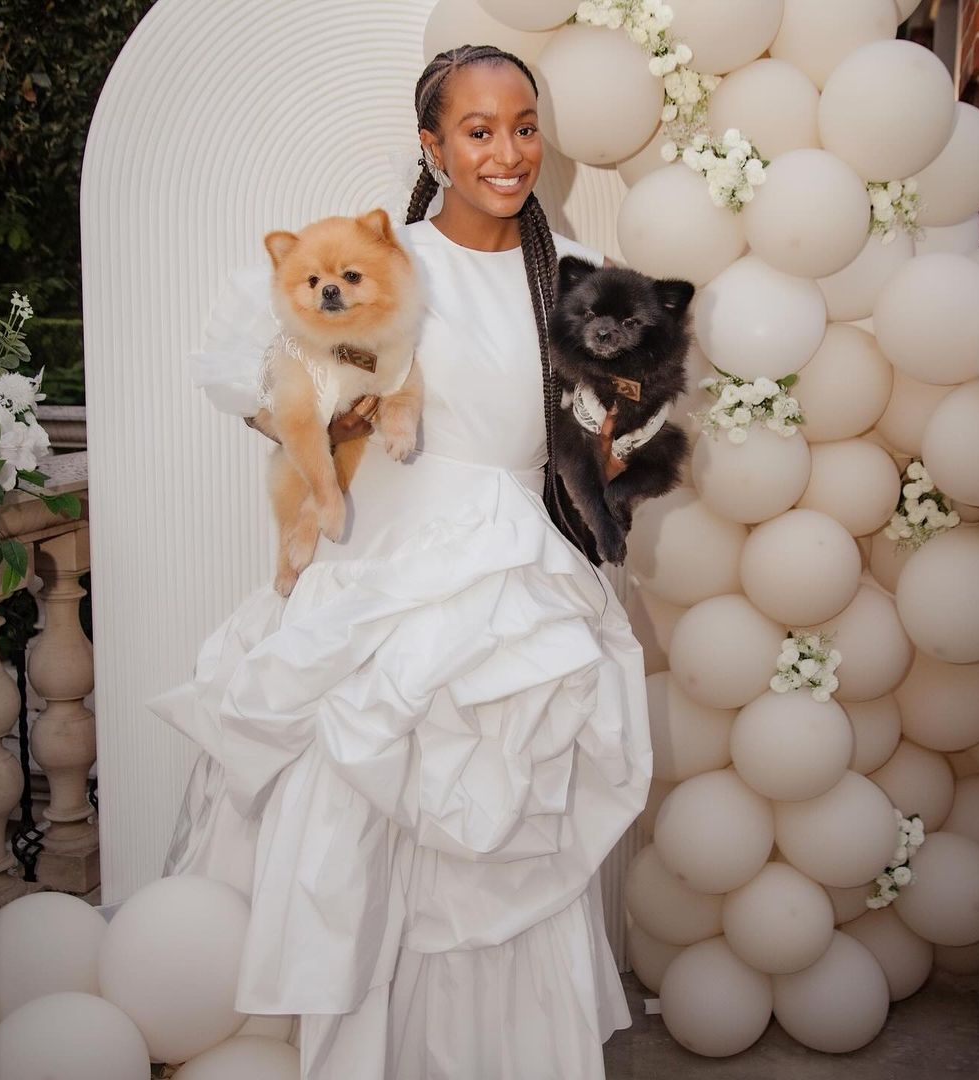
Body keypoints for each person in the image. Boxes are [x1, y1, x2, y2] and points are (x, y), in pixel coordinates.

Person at [149, 43, 652, 1080]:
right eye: (478, 131)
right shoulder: (383, 256)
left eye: (524, 127)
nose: (507, 153)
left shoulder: (575, 273)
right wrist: (328, 414)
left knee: (497, 816)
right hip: (387, 566)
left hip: (513, 577)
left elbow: (588, 434)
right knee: (356, 797)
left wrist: (613, 440)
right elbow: (272, 386)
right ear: (432, 145)